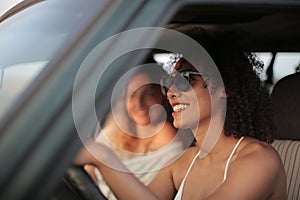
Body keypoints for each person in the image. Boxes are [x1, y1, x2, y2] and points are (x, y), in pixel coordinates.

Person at [75, 32, 286, 199]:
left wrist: (103, 158)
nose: (171, 91)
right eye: (170, 81)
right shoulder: (185, 161)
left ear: (225, 87)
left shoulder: (259, 159)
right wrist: (101, 158)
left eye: (186, 78)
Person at [84, 64, 194, 199]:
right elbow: (88, 174)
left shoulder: (174, 147)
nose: (138, 103)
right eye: (132, 95)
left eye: (147, 94)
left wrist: (103, 158)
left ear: (163, 96)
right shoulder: (113, 132)